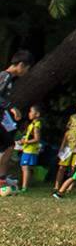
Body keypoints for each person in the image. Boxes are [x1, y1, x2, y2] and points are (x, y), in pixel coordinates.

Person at [0, 51, 35, 185]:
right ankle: (1, 178)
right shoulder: (5, 76)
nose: (26, 72)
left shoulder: (8, 79)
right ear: (21, 65)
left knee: (8, 144)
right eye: (27, 68)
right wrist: (11, 107)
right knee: (9, 144)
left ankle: (2, 178)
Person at [16, 105, 43, 193]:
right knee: (24, 167)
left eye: (31, 111)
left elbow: (36, 139)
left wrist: (25, 142)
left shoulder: (36, 125)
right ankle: (24, 185)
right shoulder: (31, 124)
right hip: (27, 149)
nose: (29, 113)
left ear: (37, 114)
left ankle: (25, 187)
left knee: (26, 167)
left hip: (31, 149)